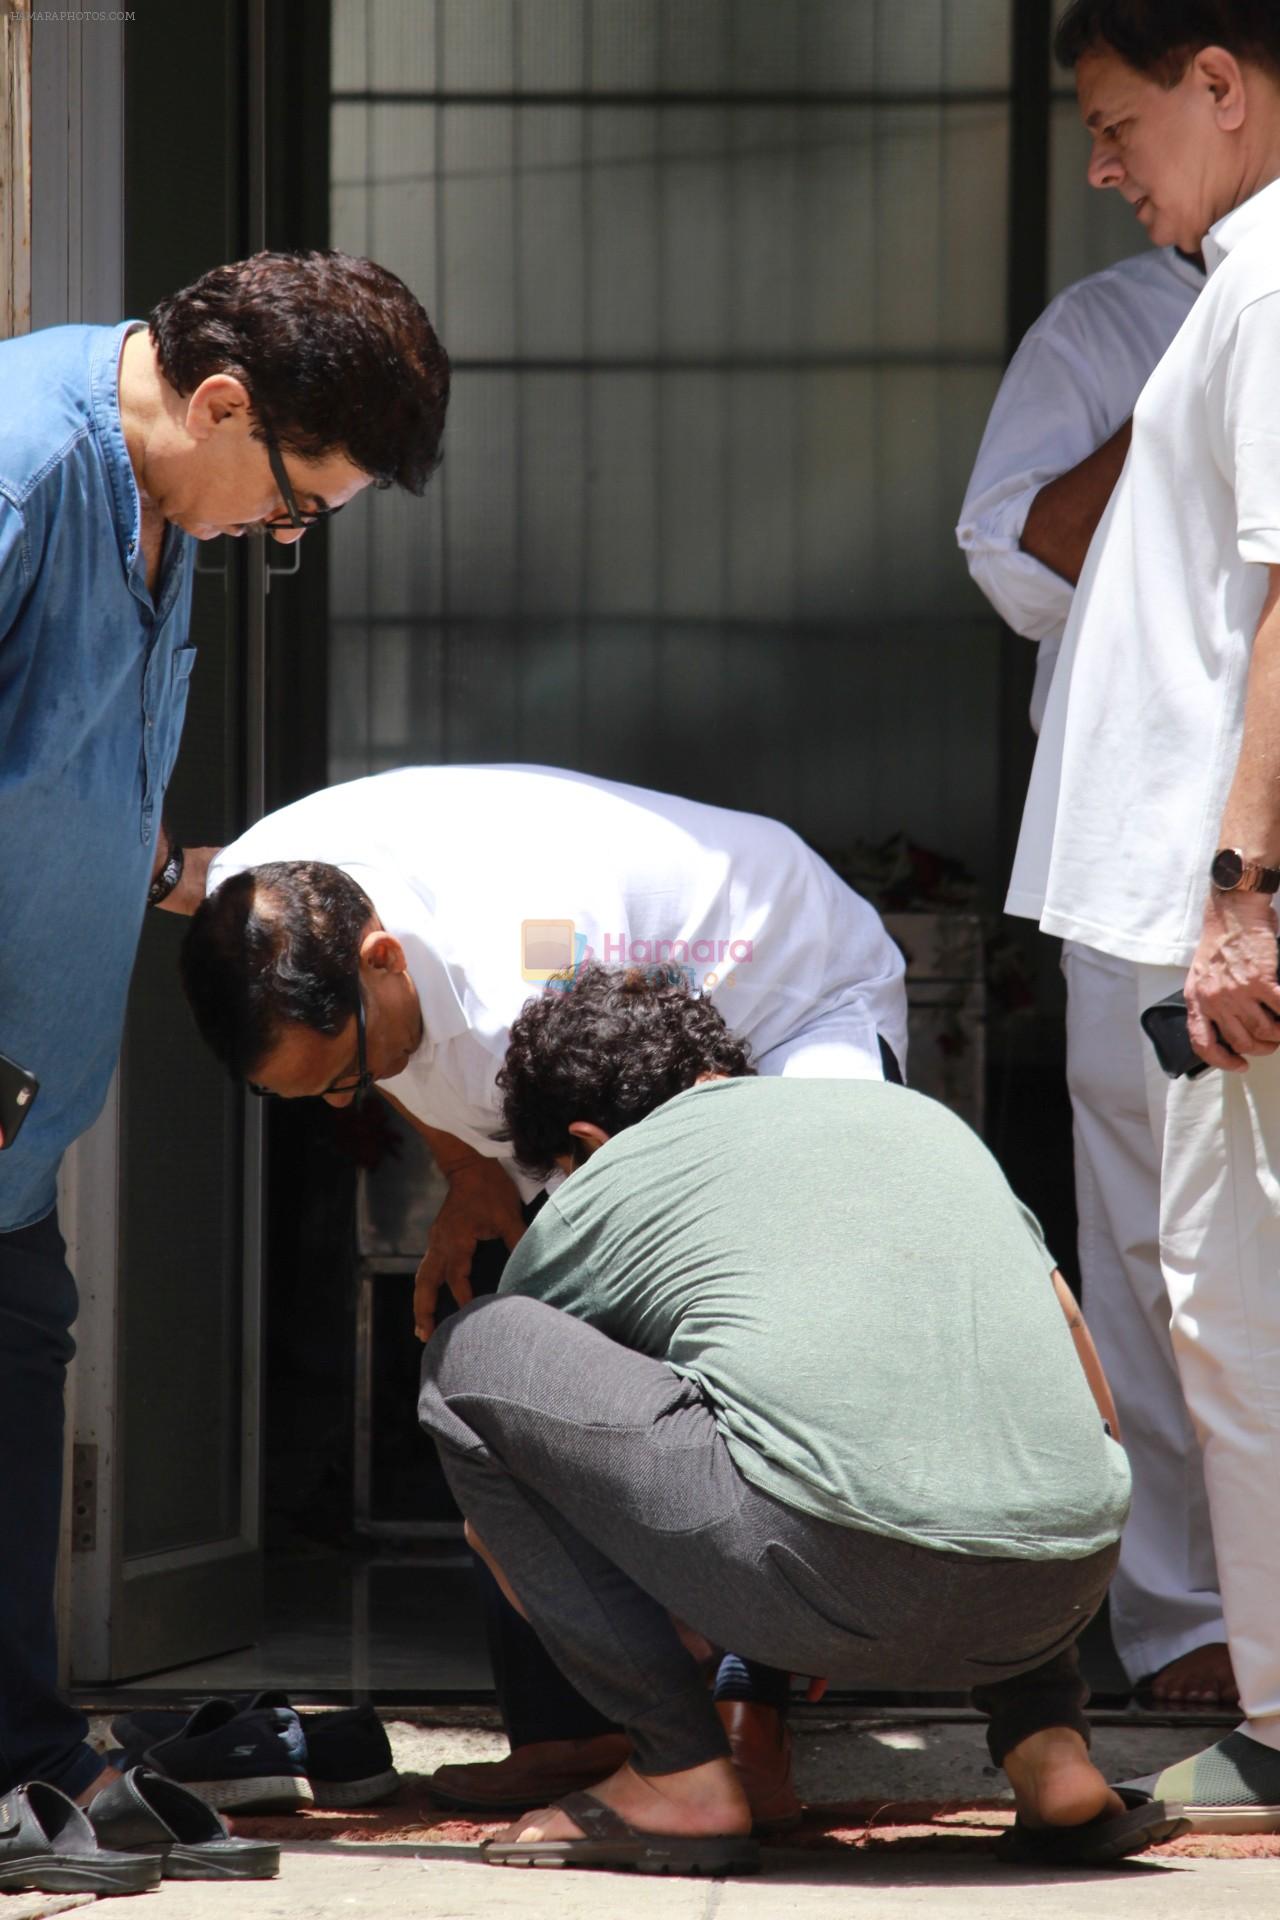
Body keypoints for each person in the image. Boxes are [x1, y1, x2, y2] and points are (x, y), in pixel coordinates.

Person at [179, 761, 909, 1825]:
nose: (345, 1100)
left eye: (342, 1075)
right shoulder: (257, 892)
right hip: (598, 1028)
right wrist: (469, 1172)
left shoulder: (514, 982)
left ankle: (744, 1722)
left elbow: (644, 1222)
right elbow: (392, 1071)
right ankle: (571, 1728)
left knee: (726, 1339)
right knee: (506, 1338)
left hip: (787, 994)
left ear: (380, 960)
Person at [0, 249, 448, 1806]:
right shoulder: (23, 474)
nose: (283, 529)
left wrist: (210, 880)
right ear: (221, 400)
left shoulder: (162, 487)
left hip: (22, 1112)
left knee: (12, 1390)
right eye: (300, 499)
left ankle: (26, 1773)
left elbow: (79, 778)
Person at [413, 965, 1170, 1874]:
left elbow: (527, 1463)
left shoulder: (617, 1174)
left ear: (584, 1138)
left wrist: (738, 1595)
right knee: (967, 1396)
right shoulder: (921, 1122)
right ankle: (1053, 1753)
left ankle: (679, 1773)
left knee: (468, 1356)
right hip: (1063, 1581)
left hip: (817, 1572)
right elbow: (1073, 1349)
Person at [1008, 0, 1280, 1827]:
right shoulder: (1240, 278)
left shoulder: (1268, 285)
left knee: (1240, 1314)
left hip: (1213, 905)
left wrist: (1246, 886)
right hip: (1157, 897)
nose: (1105, 167)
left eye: (1120, 123)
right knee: (1208, 1311)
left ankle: (1273, 1700)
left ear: (1221, 84)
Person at [957, 249, 1232, 1708]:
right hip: (1140, 856)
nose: (1110, 165)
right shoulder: (1113, 326)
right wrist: (1183, 391)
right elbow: (1013, 556)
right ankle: (1188, 1621)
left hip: (1240, 842)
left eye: (1122, 127)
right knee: (1149, 1251)